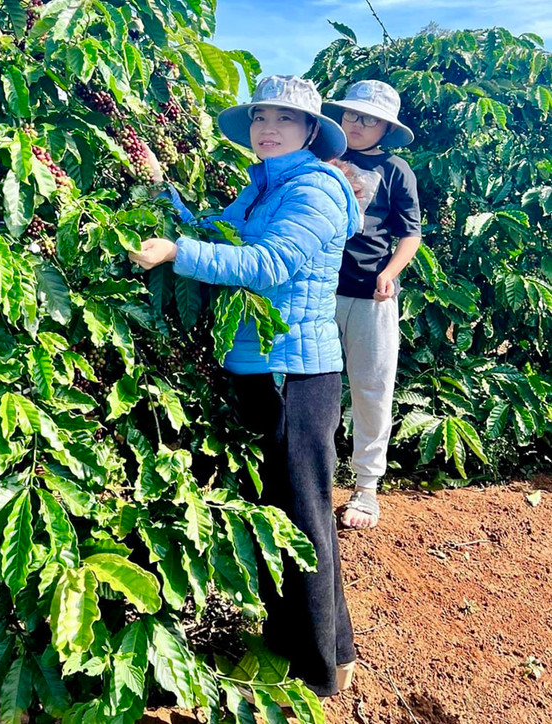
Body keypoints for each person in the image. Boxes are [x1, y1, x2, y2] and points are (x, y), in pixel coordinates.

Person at [130, 75, 360, 699]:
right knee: (284, 514)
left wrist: (177, 251)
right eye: (261, 116)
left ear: (311, 130)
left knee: (306, 516)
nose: (267, 127)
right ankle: (312, 647)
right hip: (257, 367)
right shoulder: (262, 187)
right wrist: (163, 193)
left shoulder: (314, 190)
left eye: (284, 119)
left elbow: (269, 265)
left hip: (299, 373)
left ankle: (320, 672)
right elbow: (212, 231)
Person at [322, 81, 421, 530]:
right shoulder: (319, 156)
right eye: (351, 115)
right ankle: (314, 479)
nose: (357, 124)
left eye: (370, 119)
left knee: (371, 390)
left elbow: (411, 233)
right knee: (311, 389)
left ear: (386, 128)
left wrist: (390, 272)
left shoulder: (396, 170)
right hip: (318, 291)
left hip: (371, 298)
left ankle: (366, 488)